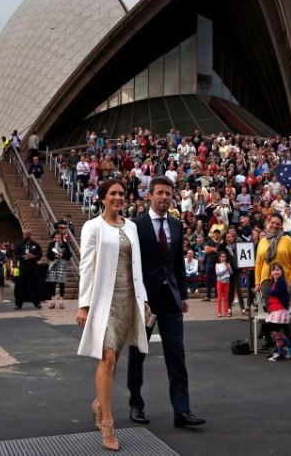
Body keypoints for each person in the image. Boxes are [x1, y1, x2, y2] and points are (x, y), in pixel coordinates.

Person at [77, 178, 149, 451]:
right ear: (102, 197)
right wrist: (84, 304)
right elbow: (86, 265)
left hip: (127, 299)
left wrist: (143, 300)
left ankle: (99, 402)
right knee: (107, 356)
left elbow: (137, 266)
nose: (118, 197)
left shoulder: (131, 226)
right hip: (102, 301)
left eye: (121, 193)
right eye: (113, 193)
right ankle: (107, 421)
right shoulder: (92, 226)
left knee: (115, 356)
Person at [127, 176, 205, 429]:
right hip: (145, 300)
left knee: (176, 355)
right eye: (159, 193)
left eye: (168, 193)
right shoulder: (135, 225)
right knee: (138, 353)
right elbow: (131, 264)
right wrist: (137, 297)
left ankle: (182, 411)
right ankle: (136, 403)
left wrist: (183, 295)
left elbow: (177, 263)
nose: (164, 197)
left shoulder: (176, 224)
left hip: (171, 299)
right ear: (149, 195)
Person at [263, 263, 291, 361]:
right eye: (273, 270)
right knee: (275, 332)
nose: (275, 272)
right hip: (276, 309)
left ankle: (287, 347)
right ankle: (281, 351)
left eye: (278, 270)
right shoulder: (276, 282)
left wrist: (267, 291)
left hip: (280, 309)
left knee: (276, 332)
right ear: (270, 273)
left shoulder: (281, 282)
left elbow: (275, 293)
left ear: (282, 272)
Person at [14, 230, 42, 310]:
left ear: (30, 234)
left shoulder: (35, 245)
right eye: (24, 234)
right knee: (20, 286)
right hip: (23, 267)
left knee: (35, 285)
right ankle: (18, 304)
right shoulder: (19, 244)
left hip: (33, 267)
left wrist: (33, 257)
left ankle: (37, 302)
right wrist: (23, 257)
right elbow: (16, 254)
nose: (25, 235)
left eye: (26, 234)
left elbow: (39, 255)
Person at [46, 230, 72, 309]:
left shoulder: (65, 244)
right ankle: (52, 302)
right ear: (54, 236)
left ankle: (61, 302)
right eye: (56, 236)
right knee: (52, 284)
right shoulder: (51, 244)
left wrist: (62, 255)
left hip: (62, 264)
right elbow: (48, 255)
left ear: (61, 236)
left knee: (61, 284)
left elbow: (69, 255)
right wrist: (54, 256)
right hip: (53, 265)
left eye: (59, 236)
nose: (58, 237)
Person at [215, 250, 231, 318]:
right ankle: (219, 312)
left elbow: (231, 273)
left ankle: (226, 312)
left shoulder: (228, 264)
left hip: (227, 282)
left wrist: (229, 268)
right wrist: (226, 269)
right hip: (220, 282)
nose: (223, 258)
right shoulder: (217, 265)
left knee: (226, 298)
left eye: (224, 257)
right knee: (219, 298)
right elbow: (218, 274)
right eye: (222, 257)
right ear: (219, 258)